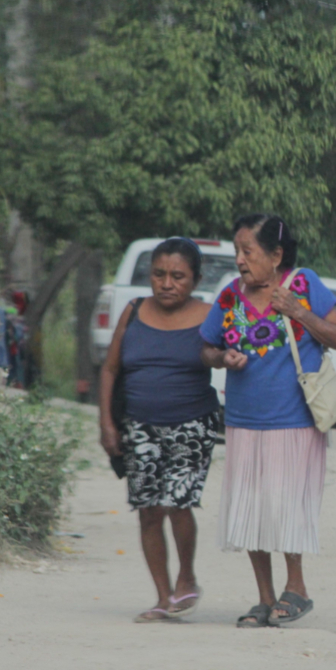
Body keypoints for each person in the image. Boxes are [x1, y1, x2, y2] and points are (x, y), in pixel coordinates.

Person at [200, 214, 336, 629]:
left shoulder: (303, 285)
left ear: (276, 255)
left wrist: (300, 312)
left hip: (294, 421)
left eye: (248, 251)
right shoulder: (231, 296)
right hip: (244, 420)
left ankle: (297, 588)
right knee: (251, 509)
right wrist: (221, 358)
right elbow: (206, 348)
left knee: (285, 507)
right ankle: (265, 598)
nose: (240, 260)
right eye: (237, 252)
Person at [98, 238, 221, 623]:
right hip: (139, 426)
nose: (167, 283)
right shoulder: (133, 311)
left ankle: (186, 577)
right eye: (159, 274)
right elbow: (110, 369)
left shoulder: (210, 315)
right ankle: (162, 595)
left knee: (177, 502)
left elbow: (228, 353)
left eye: (178, 276)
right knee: (148, 510)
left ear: (195, 279)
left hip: (192, 425)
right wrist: (106, 422)